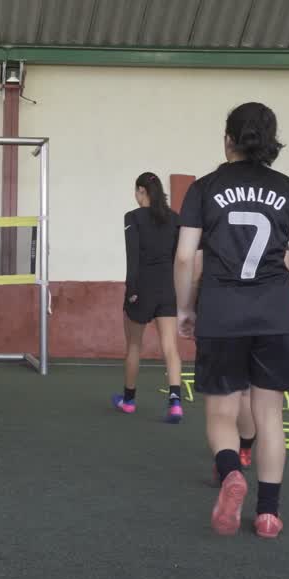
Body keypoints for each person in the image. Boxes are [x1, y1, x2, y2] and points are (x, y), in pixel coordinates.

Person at [175, 102, 289, 539]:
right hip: (276, 313)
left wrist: (186, 308)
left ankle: (230, 473)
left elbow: (186, 256)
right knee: (269, 417)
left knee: (222, 413)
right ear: (271, 143)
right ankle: (268, 513)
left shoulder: (203, 189)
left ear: (228, 139)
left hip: (221, 312)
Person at [113, 173, 185, 423]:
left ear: (142, 191)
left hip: (142, 288)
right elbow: (179, 258)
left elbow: (132, 258)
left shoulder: (132, 218)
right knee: (170, 346)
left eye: (136, 191)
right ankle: (175, 402)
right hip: (167, 287)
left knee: (134, 345)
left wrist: (131, 290)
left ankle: (129, 400)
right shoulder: (175, 219)